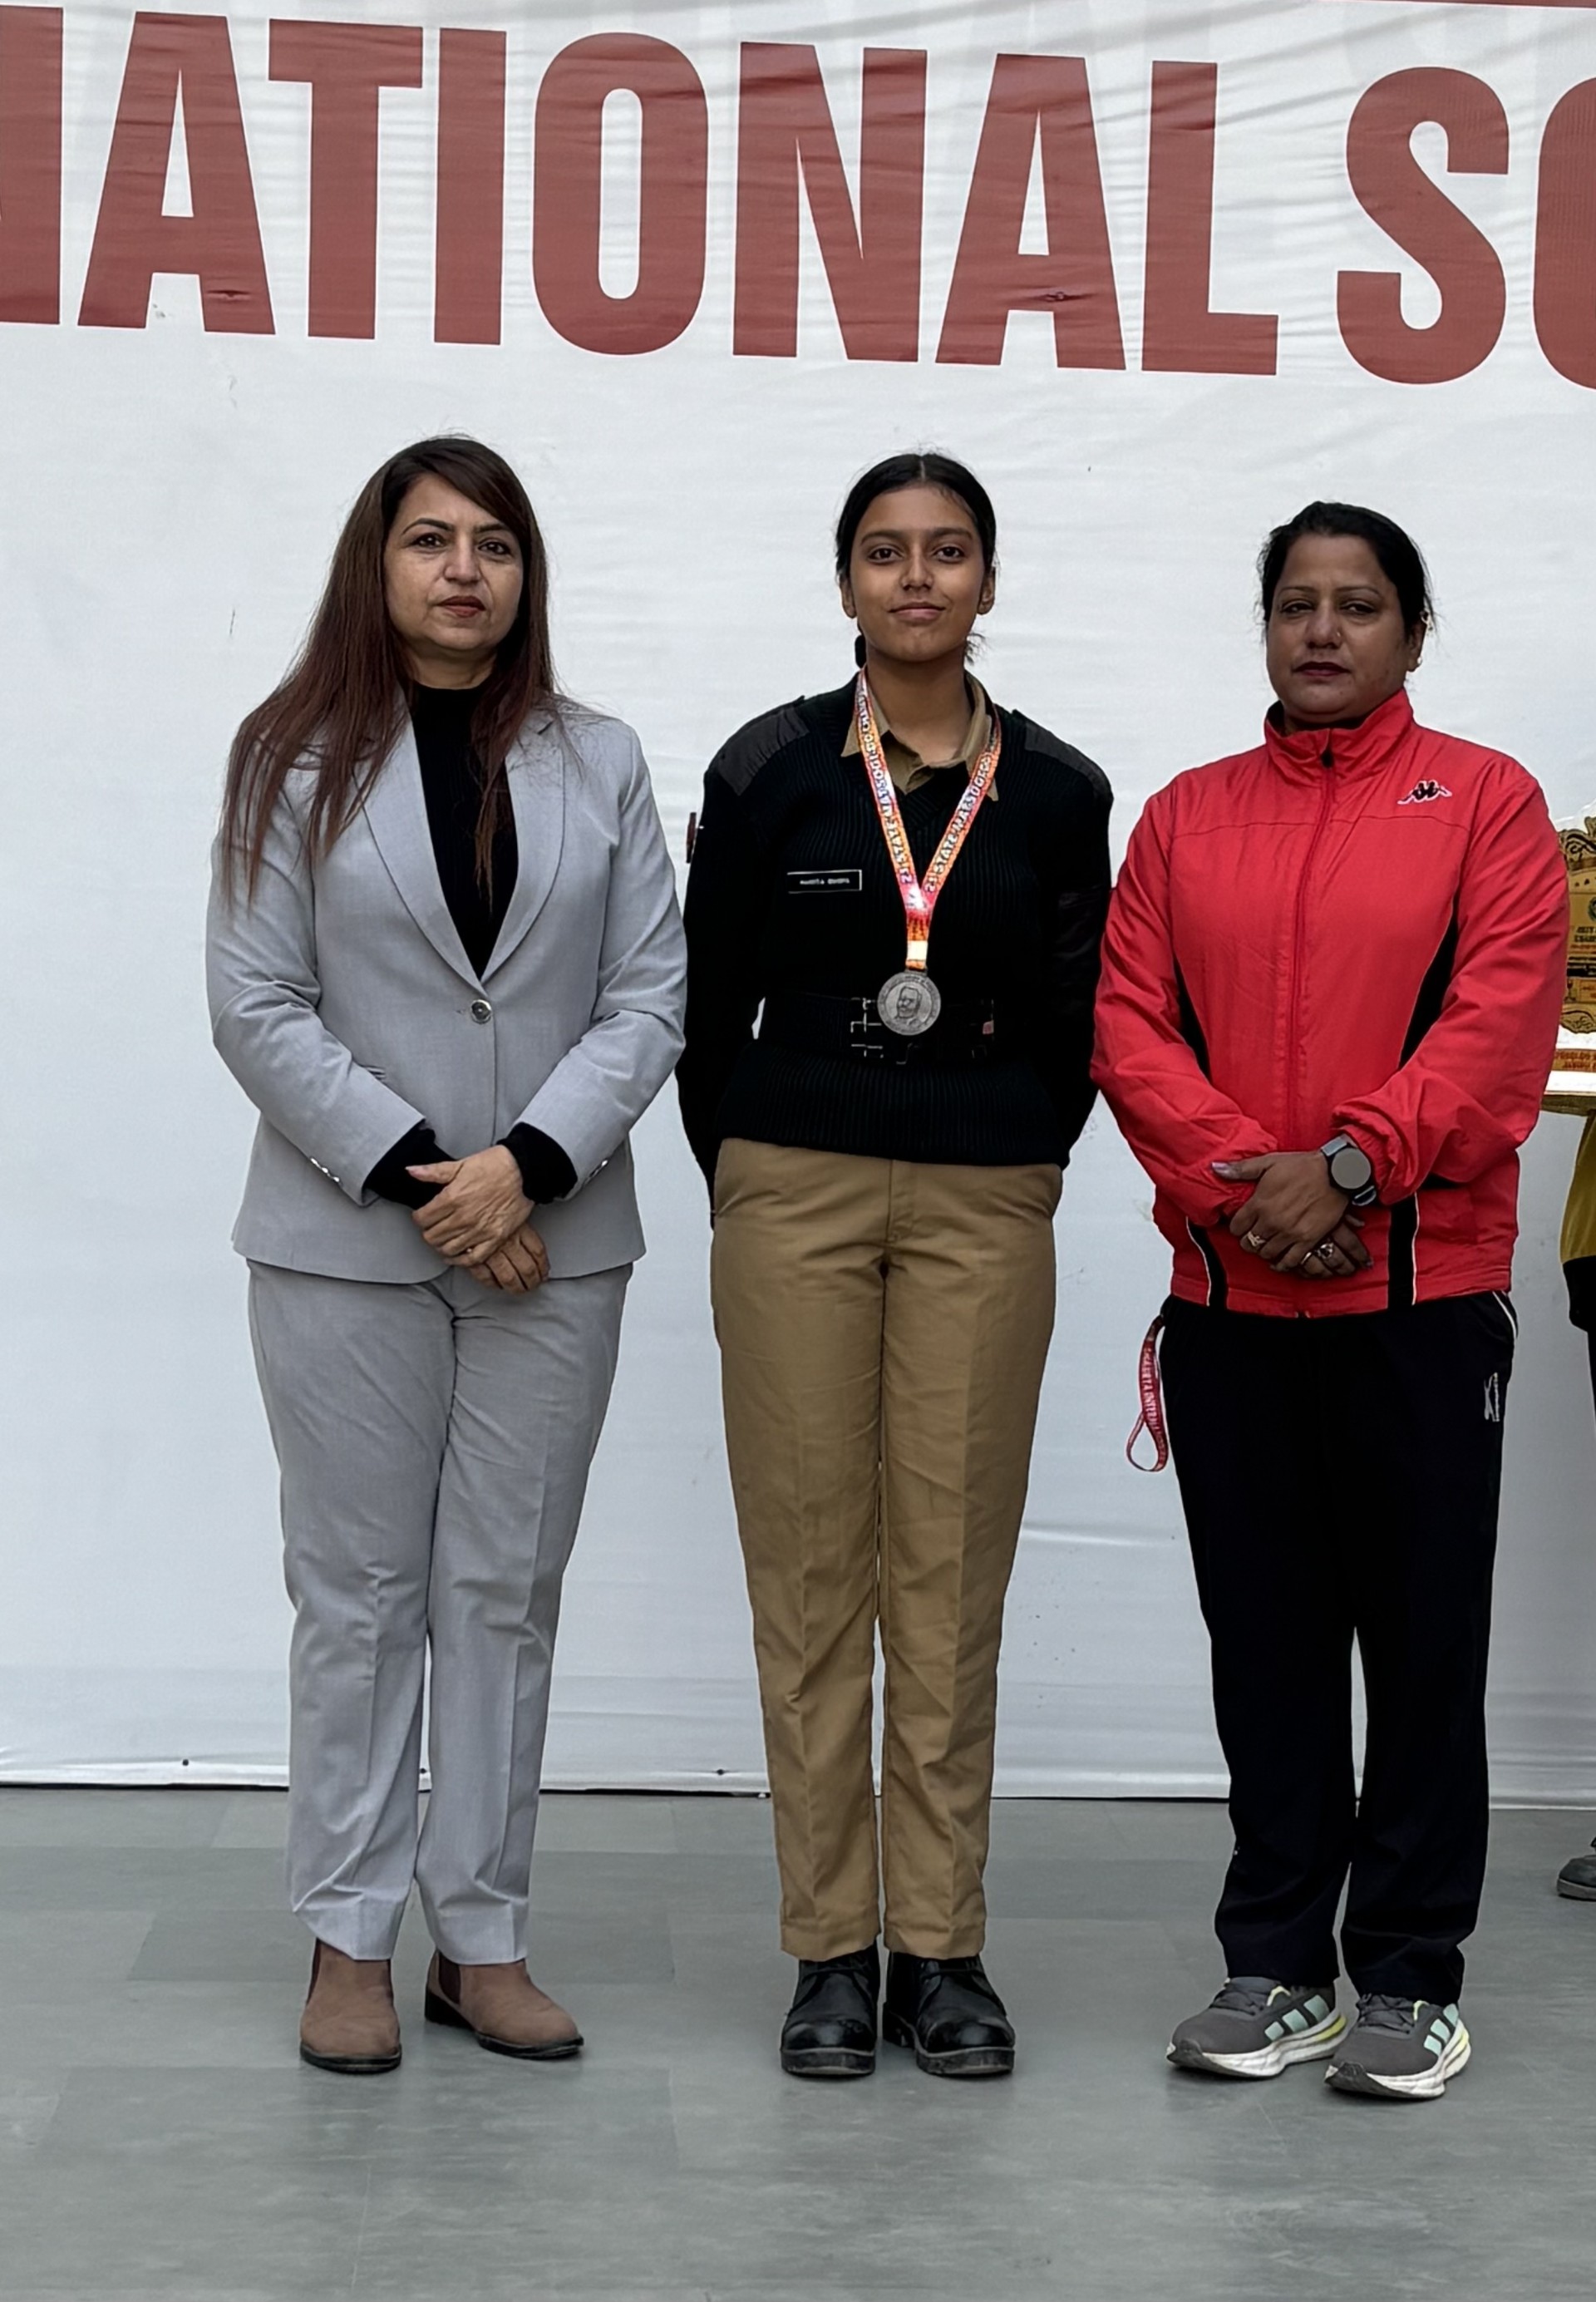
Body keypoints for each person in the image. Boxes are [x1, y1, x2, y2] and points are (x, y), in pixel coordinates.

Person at [207, 436, 685, 2074]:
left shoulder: (598, 758)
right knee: (358, 1595)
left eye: (494, 541)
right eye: (429, 539)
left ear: (526, 573)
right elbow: (255, 1003)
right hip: (345, 1244)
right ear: (380, 563)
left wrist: (527, 1170)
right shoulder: (287, 756)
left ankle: (481, 1937)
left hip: (559, 1240)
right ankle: (349, 1933)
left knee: (503, 1590)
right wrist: (443, 1182)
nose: (464, 568)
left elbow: (650, 994)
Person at [1093, 501, 1564, 2101]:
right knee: (1268, 1645)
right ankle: (1280, 1962)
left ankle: (1413, 1979)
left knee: (1423, 1649)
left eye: (1359, 604)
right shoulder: (1186, 816)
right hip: (1234, 1303)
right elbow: (1130, 1029)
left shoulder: (1488, 803)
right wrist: (1251, 1187)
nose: (1322, 629)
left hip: (1420, 1302)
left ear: (1413, 633)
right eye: (1296, 602)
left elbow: (1499, 1023)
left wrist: (1352, 1168)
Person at [677, 451, 1111, 2080]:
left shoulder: (1059, 789)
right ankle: (827, 1951)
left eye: (947, 551)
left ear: (989, 578)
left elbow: (1076, 1017)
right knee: (810, 1574)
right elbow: (705, 1006)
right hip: (792, 1186)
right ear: (845, 578)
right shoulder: (771, 767)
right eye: (884, 551)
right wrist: (751, 1165)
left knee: (949, 1573)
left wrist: (1019, 1156)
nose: (916, 577)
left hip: (984, 1195)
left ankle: (940, 1946)